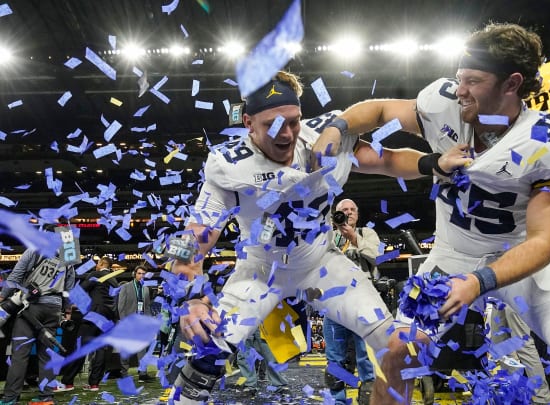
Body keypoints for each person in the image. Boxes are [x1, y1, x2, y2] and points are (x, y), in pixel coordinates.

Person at [312, 22, 550, 405]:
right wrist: (338, 126)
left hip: (519, 259)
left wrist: (479, 281)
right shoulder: (444, 103)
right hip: (450, 257)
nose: (459, 89)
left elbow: (544, 241)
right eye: (460, 77)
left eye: (473, 81)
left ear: (511, 84)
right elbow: (379, 110)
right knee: (397, 352)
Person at [167, 71, 464, 404]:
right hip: (262, 270)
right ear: (248, 123)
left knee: (396, 345)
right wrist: (190, 298)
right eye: (272, 125)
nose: (287, 134)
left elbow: (387, 160)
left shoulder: (325, 136)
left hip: (322, 263)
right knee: (208, 348)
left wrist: (434, 163)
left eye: (293, 121)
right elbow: (191, 240)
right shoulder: (228, 164)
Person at [0, 242, 76, 404]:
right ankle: (46, 397)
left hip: (30, 306)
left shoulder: (34, 249)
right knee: (46, 355)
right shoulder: (68, 257)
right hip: (54, 310)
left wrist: (2, 296)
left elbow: (15, 276)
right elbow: (69, 288)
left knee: (20, 354)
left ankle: (10, 397)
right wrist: (67, 311)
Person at [324, 198, 379, 405]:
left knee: (365, 355)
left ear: (357, 213)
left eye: (352, 209)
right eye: (343, 210)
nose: (348, 213)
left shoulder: (368, 234)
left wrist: (354, 237)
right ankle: (338, 400)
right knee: (335, 356)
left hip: (362, 301)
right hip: (334, 303)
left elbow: (378, 256)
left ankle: (367, 399)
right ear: (335, 215)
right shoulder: (329, 235)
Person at [55, 256, 119, 392]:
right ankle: (94, 384)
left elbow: (79, 291)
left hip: (94, 316)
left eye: (97, 263)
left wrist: (71, 305)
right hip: (108, 319)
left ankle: (67, 383)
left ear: (101, 264)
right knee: (101, 350)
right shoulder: (114, 280)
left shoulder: (96, 274)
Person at [117, 265, 154, 381]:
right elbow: (120, 306)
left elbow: (147, 307)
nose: (141, 276)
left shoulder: (146, 289)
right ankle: (124, 373)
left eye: (143, 274)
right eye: (139, 273)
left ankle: (142, 373)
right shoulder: (126, 287)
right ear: (134, 274)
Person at [235, 328, 289, 396]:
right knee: (244, 354)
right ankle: (249, 385)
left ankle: (279, 384)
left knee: (269, 352)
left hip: (261, 322)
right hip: (244, 323)